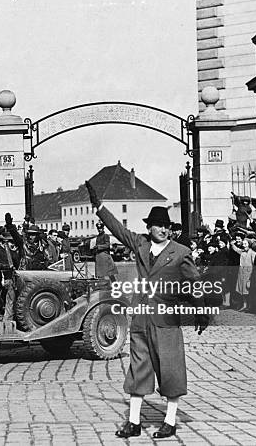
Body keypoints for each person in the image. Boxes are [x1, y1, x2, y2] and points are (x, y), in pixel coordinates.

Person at [85, 180, 208, 439]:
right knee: (138, 368)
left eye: (166, 226)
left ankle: (171, 420)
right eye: (158, 225)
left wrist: (201, 309)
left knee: (170, 369)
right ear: (149, 227)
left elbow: (195, 282)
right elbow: (118, 229)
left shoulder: (180, 252)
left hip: (166, 320)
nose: (163, 229)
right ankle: (134, 422)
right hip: (141, 319)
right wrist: (99, 207)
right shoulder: (140, 244)